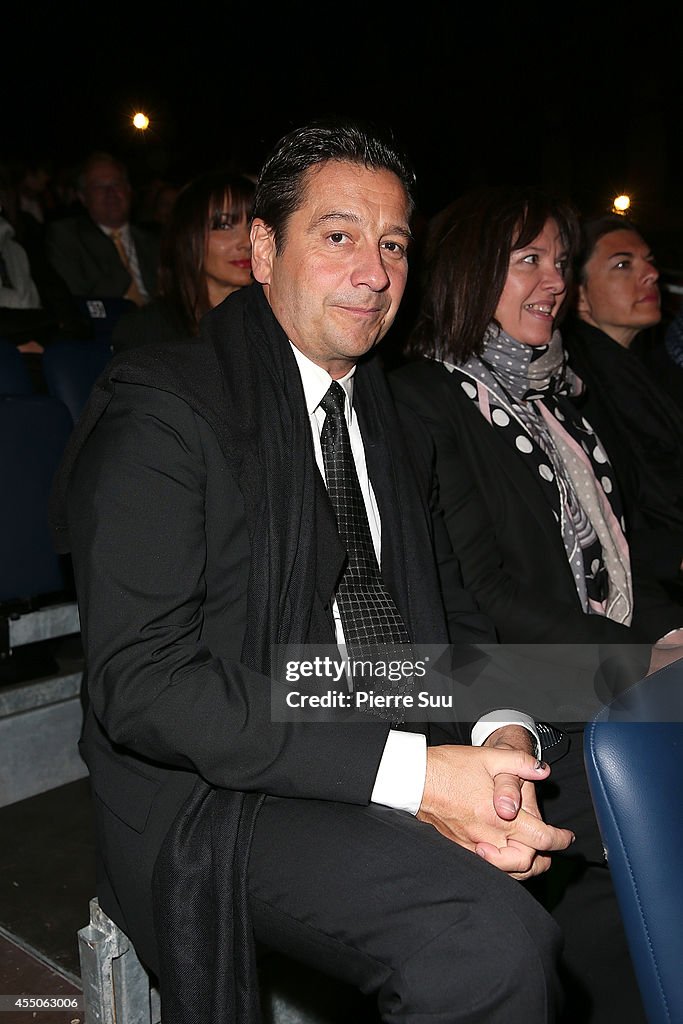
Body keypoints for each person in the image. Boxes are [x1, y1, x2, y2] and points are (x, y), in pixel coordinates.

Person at [50, 120, 576, 1024]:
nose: (373, 273)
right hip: (221, 784)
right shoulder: (166, 409)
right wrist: (415, 776)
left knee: (630, 780)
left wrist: (498, 734)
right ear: (262, 250)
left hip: (386, 699)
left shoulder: (396, 417)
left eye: (393, 245)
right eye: (337, 237)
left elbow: (456, 614)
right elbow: (143, 685)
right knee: (485, 946)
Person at [389, 184, 683, 1023]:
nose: (550, 280)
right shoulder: (426, 398)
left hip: (591, 666)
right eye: (527, 260)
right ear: (472, 274)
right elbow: (486, 598)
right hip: (516, 688)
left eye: (558, 261)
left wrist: (667, 628)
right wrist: (641, 660)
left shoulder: (564, 404)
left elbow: (617, 566)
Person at [562, 214, 683, 601]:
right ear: (579, 295)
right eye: (622, 265)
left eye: (648, 260)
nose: (649, 273)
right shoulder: (575, 388)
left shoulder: (651, 371)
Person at [112, 170, 255, 352]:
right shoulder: (148, 330)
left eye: (253, 225)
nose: (247, 241)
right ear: (188, 237)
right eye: (223, 226)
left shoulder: (275, 321)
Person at [45, 151, 159, 305]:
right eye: (99, 187)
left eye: (116, 184)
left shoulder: (153, 240)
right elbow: (77, 303)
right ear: (83, 197)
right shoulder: (68, 238)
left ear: (128, 190)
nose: (110, 193)